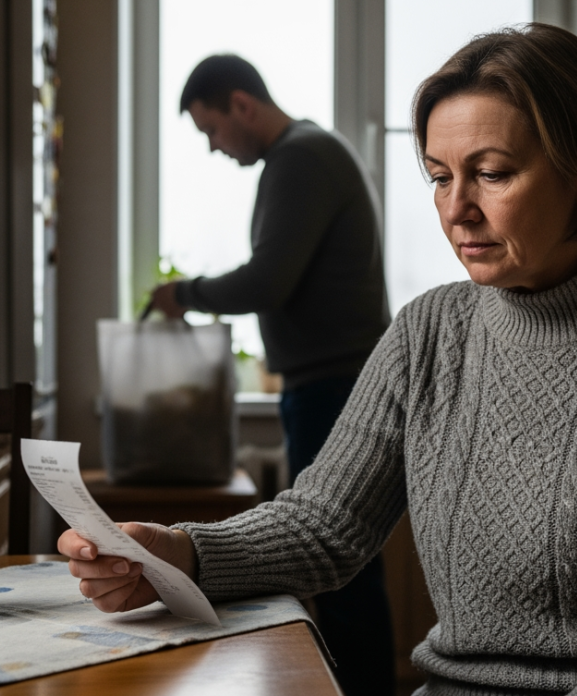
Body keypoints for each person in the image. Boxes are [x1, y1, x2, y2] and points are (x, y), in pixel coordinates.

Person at [67, 24, 577, 695]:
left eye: (491, 174)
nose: (457, 210)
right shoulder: (429, 330)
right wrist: (179, 551)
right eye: (440, 177)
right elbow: (325, 525)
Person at [148, 54, 395, 695]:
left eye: (212, 130)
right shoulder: (306, 153)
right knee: (342, 562)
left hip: (334, 388)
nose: (213, 147)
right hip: (326, 383)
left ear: (242, 105)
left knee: (338, 562)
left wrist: (186, 292)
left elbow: (268, 278)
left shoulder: (301, 157)